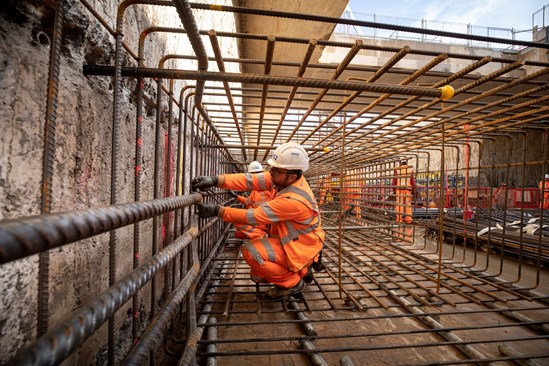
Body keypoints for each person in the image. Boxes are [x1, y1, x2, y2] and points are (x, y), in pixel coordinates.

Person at [192, 142, 325, 301]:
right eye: (272, 167)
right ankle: (303, 270)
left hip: (300, 247)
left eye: (276, 169)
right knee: (257, 274)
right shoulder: (283, 179)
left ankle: (293, 282)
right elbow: (250, 180)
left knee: (251, 251)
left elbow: (254, 217)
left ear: (292, 175)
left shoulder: (293, 200)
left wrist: (217, 211)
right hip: (296, 242)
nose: (271, 172)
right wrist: (215, 180)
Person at [229, 161, 273, 240]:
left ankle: (263, 236)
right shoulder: (255, 191)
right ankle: (259, 234)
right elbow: (247, 202)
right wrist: (236, 196)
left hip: (266, 222)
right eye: (253, 175)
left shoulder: (270, 189)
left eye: (257, 174)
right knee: (238, 230)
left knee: (239, 222)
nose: (255, 177)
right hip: (257, 219)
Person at [393, 160, 415, 224]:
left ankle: (399, 219)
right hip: (408, 190)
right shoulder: (410, 169)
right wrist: (413, 189)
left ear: (400, 163)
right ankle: (408, 219)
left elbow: (394, 180)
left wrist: (394, 190)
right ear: (406, 162)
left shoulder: (397, 170)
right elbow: (412, 181)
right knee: (408, 205)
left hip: (399, 190)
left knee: (399, 205)